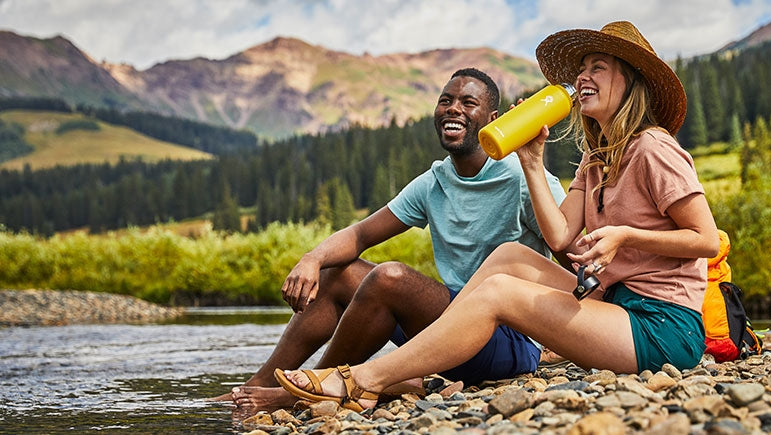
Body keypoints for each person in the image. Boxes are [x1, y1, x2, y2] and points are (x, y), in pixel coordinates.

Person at [273, 20, 720, 413]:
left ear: (631, 81)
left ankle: (362, 380)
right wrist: (531, 161)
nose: (582, 77)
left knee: (500, 293)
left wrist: (625, 235)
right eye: (581, 68)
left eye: (597, 67)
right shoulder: (595, 160)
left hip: (661, 327)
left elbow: (705, 239)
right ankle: (434, 359)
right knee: (510, 256)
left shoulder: (654, 148)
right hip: (616, 303)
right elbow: (561, 236)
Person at [219, 67, 567, 410]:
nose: (453, 108)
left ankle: (309, 389)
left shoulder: (526, 178)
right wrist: (312, 258)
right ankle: (258, 384)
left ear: (493, 118)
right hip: (445, 332)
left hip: (508, 339)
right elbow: (359, 234)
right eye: (445, 100)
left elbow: (570, 253)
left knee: (390, 278)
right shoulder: (433, 182)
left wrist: (573, 337)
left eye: (467, 102)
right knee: (338, 271)